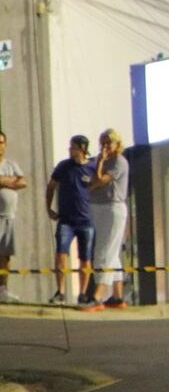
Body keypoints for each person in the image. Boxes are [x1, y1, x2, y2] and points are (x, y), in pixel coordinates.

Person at [83, 129, 129, 311]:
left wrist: (100, 162)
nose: (104, 147)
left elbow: (101, 180)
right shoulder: (97, 160)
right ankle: (117, 296)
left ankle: (97, 296)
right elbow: (90, 181)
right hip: (97, 207)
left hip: (112, 207)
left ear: (117, 144)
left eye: (108, 143)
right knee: (112, 251)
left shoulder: (119, 162)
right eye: (102, 143)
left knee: (104, 251)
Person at [46, 135, 95, 305]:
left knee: (85, 257)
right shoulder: (64, 166)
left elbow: (102, 180)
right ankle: (60, 291)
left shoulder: (92, 166)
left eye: (73, 147)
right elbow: (51, 185)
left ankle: (82, 292)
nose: (70, 150)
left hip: (85, 219)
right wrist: (49, 207)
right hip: (66, 219)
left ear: (82, 149)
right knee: (61, 253)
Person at [0, 132, 28, 303]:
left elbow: (23, 182)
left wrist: (3, 181)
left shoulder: (11, 164)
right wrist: (12, 182)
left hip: (8, 217)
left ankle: (2, 290)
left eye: (1, 142)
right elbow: (16, 181)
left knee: (5, 255)